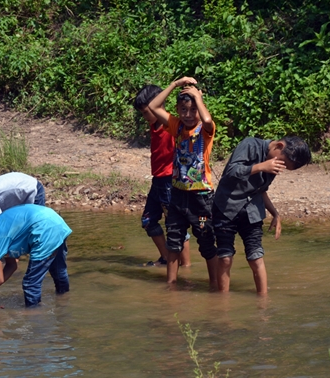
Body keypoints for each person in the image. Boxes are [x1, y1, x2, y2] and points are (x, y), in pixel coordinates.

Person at [213, 136, 311, 295]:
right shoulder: (250, 144)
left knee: (255, 257)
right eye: (283, 163)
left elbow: (260, 190)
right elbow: (231, 171)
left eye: (286, 167)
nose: (281, 167)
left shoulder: (273, 162)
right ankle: (222, 303)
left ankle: (263, 304)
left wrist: (275, 213)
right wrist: (260, 167)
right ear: (279, 146)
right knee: (225, 257)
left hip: (252, 211)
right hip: (226, 207)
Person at [148, 76, 218, 289]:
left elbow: (206, 120)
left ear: (199, 108)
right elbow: (153, 106)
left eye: (192, 110)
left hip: (202, 199)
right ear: (178, 111)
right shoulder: (175, 126)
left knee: (206, 238)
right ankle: (171, 286)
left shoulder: (205, 130)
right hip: (178, 196)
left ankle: (215, 286)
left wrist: (197, 97)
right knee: (174, 239)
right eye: (183, 110)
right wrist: (174, 85)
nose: (188, 115)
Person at [133, 85, 190, 268]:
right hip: (158, 180)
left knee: (175, 224)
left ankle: (185, 265)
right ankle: (167, 259)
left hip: (169, 180)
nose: (145, 117)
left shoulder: (169, 124)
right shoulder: (154, 124)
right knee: (148, 221)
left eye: (146, 112)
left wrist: (176, 85)